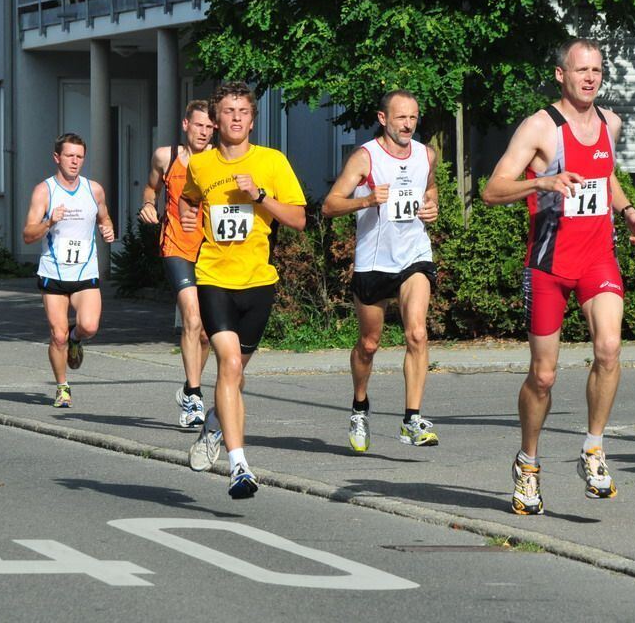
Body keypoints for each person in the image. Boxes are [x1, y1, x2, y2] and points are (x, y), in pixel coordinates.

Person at [481, 38, 635, 515]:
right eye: (581, 70)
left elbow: (607, 177)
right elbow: (492, 190)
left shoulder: (610, 123)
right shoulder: (541, 127)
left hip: (598, 258)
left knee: (609, 347)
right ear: (560, 74)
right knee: (543, 376)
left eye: (597, 70)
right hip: (549, 265)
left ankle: (594, 448)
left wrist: (629, 211)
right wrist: (542, 181)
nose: (590, 78)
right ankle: (528, 463)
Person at [178, 82, 307, 499]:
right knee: (229, 363)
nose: (236, 118)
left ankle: (214, 425)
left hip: (258, 283)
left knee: (235, 374)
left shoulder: (272, 162)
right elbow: (188, 197)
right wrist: (186, 220)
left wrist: (261, 196)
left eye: (243, 111)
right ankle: (239, 467)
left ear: (253, 118)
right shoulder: (201, 164)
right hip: (214, 278)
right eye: (229, 111)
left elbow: (300, 220)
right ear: (215, 120)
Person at [322, 90, 440, 454]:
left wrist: (432, 205)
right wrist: (367, 200)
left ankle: (412, 419)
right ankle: (360, 407)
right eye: (401, 117)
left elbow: (430, 188)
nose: (408, 124)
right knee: (370, 344)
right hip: (374, 262)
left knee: (417, 334)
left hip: (414, 255)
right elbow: (329, 205)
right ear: (383, 118)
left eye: (414, 117)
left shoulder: (426, 154)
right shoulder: (365, 157)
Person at [22, 133, 115, 408]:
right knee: (57, 334)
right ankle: (63, 387)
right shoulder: (44, 191)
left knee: (89, 325)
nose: (75, 162)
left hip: (85, 272)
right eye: (69, 156)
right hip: (54, 272)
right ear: (57, 158)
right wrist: (49, 221)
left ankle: (77, 339)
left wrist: (107, 227)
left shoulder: (94, 189)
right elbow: (28, 234)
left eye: (79, 157)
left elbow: (104, 216)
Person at [138, 100, 215, 429]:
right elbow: (151, 188)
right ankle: (196, 397)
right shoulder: (165, 156)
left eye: (210, 127)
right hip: (176, 247)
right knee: (192, 319)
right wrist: (147, 205)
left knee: (208, 334)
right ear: (186, 125)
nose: (204, 132)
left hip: (211, 251)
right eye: (199, 125)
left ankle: (188, 386)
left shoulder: (219, 160)